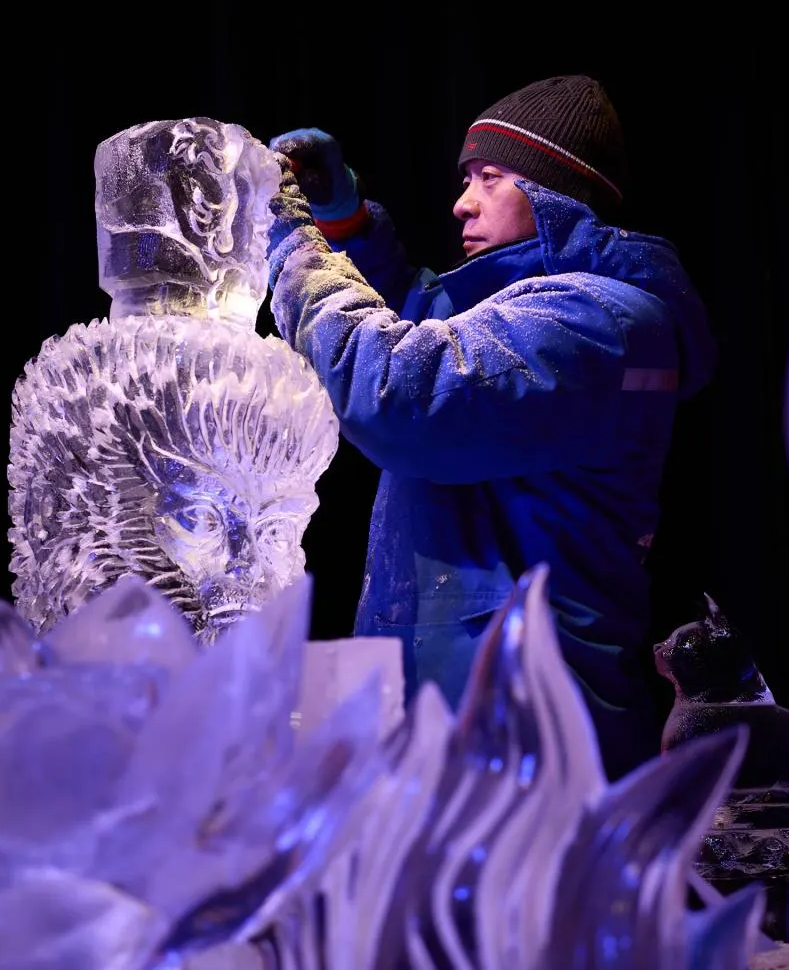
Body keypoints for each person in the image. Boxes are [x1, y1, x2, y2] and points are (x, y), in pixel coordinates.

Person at [263, 75, 715, 778]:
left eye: (490, 178)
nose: (462, 201)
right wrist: (343, 224)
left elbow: (401, 394)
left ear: (555, 195)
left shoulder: (597, 322)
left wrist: (298, 250)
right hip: (479, 720)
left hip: (521, 746)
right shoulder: (553, 310)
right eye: (466, 178)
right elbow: (428, 321)